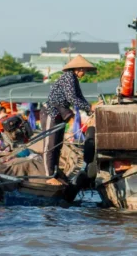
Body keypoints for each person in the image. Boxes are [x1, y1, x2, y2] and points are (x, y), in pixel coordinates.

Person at [41, 55, 96, 185]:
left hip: (60, 113)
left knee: (58, 145)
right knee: (50, 146)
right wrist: (89, 107)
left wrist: (90, 110)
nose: (85, 73)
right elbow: (72, 98)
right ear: (78, 68)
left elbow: (80, 97)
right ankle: (48, 176)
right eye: (84, 70)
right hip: (51, 112)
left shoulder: (74, 80)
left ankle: (55, 172)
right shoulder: (68, 77)